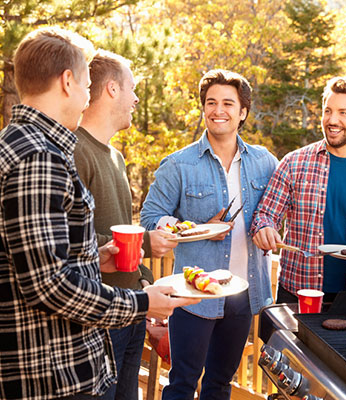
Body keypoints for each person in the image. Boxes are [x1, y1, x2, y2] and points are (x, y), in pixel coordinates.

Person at [0, 27, 198, 400]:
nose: (89, 95)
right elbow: (48, 285)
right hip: (54, 375)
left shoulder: (27, 146)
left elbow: (39, 260)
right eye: (87, 84)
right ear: (67, 81)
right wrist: (143, 302)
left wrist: (94, 257)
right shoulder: (38, 158)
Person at [140, 69, 278, 400]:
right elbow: (149, 218)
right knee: (183, 382)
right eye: (211, 102)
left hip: (242, 294)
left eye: (228, 103)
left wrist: (272, 228)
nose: (219, 110)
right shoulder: (179, 164)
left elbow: (278, 210)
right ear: (203, 109)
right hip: (192, 296)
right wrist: (193, 229)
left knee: (220, 383)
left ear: (243, 112)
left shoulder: (265, 162)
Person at [74, 49, 178, 400]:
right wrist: (147, 242)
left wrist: (146, 284)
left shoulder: (115, 156)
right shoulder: (74, 150)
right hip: (100, 320)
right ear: (112, 89)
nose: (136, 98)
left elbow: (119, 231)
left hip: (132, 311)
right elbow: (73, 241)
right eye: (132, 88)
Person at [251, 76, 346, 304]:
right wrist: (264, 228)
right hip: (296, 293)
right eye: (327, 111)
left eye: (343, 113)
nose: (332, 120)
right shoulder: (294, 163)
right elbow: (265, 214)